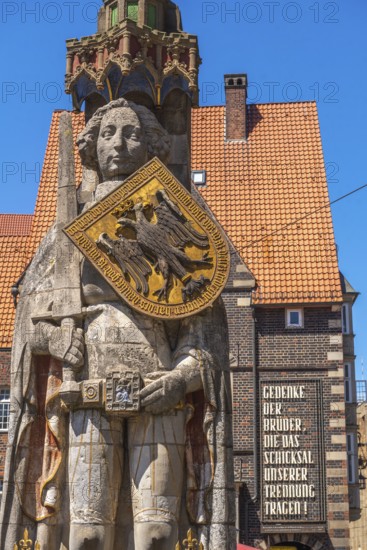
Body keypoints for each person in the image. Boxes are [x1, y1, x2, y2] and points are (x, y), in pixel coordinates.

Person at [0, 99, 235, 550]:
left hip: (159, 391)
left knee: (158, 534)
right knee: (86, 533)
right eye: (108, 133)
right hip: (85, 391)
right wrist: (56, 337)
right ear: (91, 146)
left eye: (132, 133)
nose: (120, 144)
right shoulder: (67, 231)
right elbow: (28, 324)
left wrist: (181, 379)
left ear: (151, 145)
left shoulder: (174, 219)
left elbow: (203, 329)